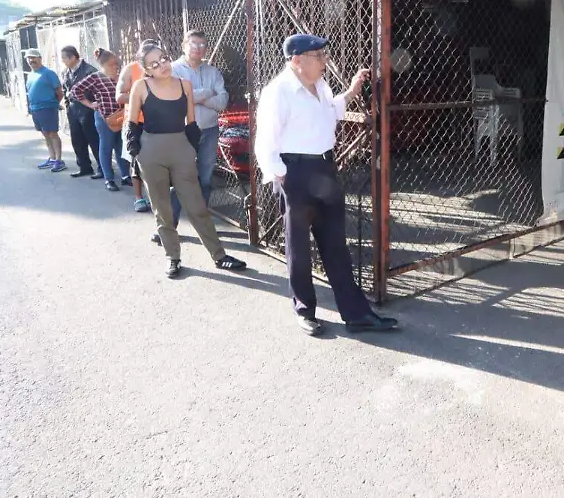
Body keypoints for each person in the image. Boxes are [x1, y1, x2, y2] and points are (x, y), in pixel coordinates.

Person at [255, 33, 399, 336]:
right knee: (299, 248)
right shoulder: (278, 92)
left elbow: (332, 110)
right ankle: (304, 310)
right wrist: (281, 176)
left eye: (324, 54)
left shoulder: (320, 85)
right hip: (294, 173)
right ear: (296, 60)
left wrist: (352, 90)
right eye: (318, 56)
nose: (325, 61)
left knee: (335, 245)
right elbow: (264, 141)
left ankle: (357, 314)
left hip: (324, 169)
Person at [125, 40, 246, 278]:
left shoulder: (185, 85)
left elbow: (191, 124)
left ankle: (219, 256)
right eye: (154, 63)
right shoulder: (140, 87)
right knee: (162, 208)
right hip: (151, 152)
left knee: (196, 205)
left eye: (164, 58)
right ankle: (173, 257)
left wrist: (190, 150)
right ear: (147, 69)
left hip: (181, 149)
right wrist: (137, 154)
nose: (162, 65)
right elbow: (131, 125)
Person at [170, 29, 229, 214]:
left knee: (205, 177)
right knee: (179, 177)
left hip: (210, 130)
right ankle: (170, 224)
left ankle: (201, 220)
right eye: (193, 44)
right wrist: (206, 92)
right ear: (184, 46)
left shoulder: (213, 71)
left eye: (202, 45)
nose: (198, 48)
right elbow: (174, 98)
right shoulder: (172, 70)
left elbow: (223, 102)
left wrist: (195, 97)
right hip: (181, 131)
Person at [71, 50, 132, 192]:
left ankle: (125, 176)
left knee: (120, 146)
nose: (115, 66)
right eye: (112, 64)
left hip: (121, 116)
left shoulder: (120, 76)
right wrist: (90, 104)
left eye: (116, 63)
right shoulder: (96, 77)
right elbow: (75, 90)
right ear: (103, 65)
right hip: (104, 118)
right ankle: (108, 179)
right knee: (106, 147)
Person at [59, 46, 102, 179]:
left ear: (73, 57)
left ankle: (102, 168)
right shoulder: (67, 72)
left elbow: (98, 90)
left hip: (88, 109)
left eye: (64, 58)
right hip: (73, 109)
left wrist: (93, 105)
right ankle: (84, 167)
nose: (62, 61)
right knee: (77, 140)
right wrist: (67, 106)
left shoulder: (89, 71)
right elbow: (66, 90)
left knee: (94, 139)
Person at [117, 53, 151, 212]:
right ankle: (138, 197)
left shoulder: (163, 69)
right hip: (135, 122)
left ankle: (154, 197)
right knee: (135, 161)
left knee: (155, 162)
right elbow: (119, 96)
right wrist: (141, 96)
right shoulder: (131, 69)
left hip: (157, 123)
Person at [24, 49, 66, 172]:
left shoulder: (48, 73)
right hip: (35, 109)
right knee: (45, 134)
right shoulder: (30, 75)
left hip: (48, 108)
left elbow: (59, 92)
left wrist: (54, 104)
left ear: (40, 58)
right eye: (29, 58)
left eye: (34, 57)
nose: (31, 60)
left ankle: (59, 160)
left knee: (53, 133)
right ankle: (52, 158)